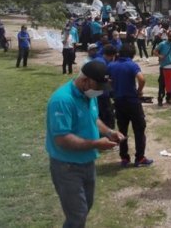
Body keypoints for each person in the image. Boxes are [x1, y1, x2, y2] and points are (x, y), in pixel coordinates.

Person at [46, 61, 125, 227]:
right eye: (99, 86)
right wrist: (96, 143)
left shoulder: (88, 95)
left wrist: (109, 132)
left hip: (87, 162)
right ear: (86, 80)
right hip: (67, 166)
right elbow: (62, 139)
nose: (101, 90)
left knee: (85, 208)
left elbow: (93, 118)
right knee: (77, 215)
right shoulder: (62, 100)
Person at [108, 44, 154, 167]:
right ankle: (140, 157)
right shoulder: (131, 65)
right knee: (139, 129)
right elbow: (141, 79)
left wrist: (114, 89)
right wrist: (139, 91)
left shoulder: (112, 65)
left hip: (118, 101)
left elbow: (108, 80)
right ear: (132, 54)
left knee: (122, 130)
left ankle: (124, 158)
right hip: (132, 101)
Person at [153, 31, 171, 106]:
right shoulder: (162, 44)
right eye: (170, 36)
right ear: (167, 36)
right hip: (163, 67)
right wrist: (160, 56)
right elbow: (155, 51)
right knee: (162, 84)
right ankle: (160, 99)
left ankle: (168, 98)